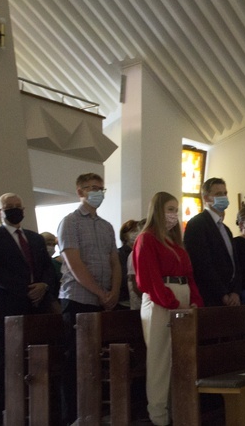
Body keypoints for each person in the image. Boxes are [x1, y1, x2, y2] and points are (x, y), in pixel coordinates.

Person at [0, 193, 57, 426]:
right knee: (2, 361)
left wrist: (43, 285)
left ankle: (35, 410)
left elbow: (48, 269)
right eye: (8, 207)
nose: (14, 210)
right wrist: (28, 290)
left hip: (35, 307)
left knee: (35, 361)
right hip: (2, 309)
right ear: (0, 213)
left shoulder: (34, 238)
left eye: (17, 206)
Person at [133, 192, 203, 425]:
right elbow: (148, 279)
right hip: (160, 300)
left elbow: (189, 275)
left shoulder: (176, 242)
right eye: (170, 209)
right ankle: (159, 415)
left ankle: (178, 411)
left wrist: (194, 300)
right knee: (160, 359)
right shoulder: (146, 239)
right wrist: (171, 303)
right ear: (158, 211)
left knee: (180, 358)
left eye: (176, 209)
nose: (174, 214)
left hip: (180, 299)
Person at [57, 173, 121, 425]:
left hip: (103, 300)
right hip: (77, 297)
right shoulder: (70, 222)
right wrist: (100, 292)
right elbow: (74, 264)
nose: (97, 193)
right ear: (80, 192)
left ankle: (93, 411)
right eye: (91, 188)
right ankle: (71, 416)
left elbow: (115, 262)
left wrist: (114, 292)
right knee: (75, 359)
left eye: (100, 189)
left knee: (95, 359)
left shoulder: (106, 226)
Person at [183, 177, 241, 307]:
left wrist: (236, 292)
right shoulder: (197, 224)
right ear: (206, 198)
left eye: (225, 193)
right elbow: (202, 264)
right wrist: (223, 294)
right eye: (218, 194)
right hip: (210, 295)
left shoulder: (226, 229)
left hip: (232, 296)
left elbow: (234, 263)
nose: (223, 197)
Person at [118, 219, 140, 308]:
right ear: (125, 235)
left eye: (138, 230)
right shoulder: (119, 253)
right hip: (124, 301)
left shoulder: (142, 252)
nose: (136, 233)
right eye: (133, 231)